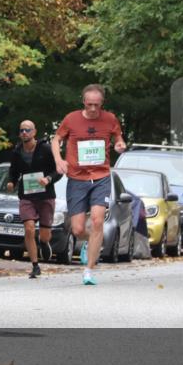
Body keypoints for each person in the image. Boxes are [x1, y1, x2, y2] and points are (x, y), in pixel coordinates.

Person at [51, 84, 127, 285]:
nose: (93, 108)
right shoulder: (71, 119)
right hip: (77, 179)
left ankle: (89, 270)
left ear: (102, 103)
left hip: (101, 176)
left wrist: (120, 145)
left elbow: (118, 138)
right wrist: (59, 160)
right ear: (83, 102)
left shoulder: (110, 119)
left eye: (97, 105)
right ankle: (90, 242)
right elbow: (56, 139)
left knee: (97, 221)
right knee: (77, 229)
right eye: (90, 104)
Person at [6, 120, 61, 278]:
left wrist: (48, 179)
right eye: (22, 130)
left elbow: (59, 169)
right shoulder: (17, 152)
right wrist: (12, 182)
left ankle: (44, 242)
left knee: (44, 234)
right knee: (29, 228)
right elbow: (13, 171)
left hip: (45, 196)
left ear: (34, 132)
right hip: (27, 196)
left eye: (28, 130)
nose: (24, 133)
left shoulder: (45, 148)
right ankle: (35, 265)